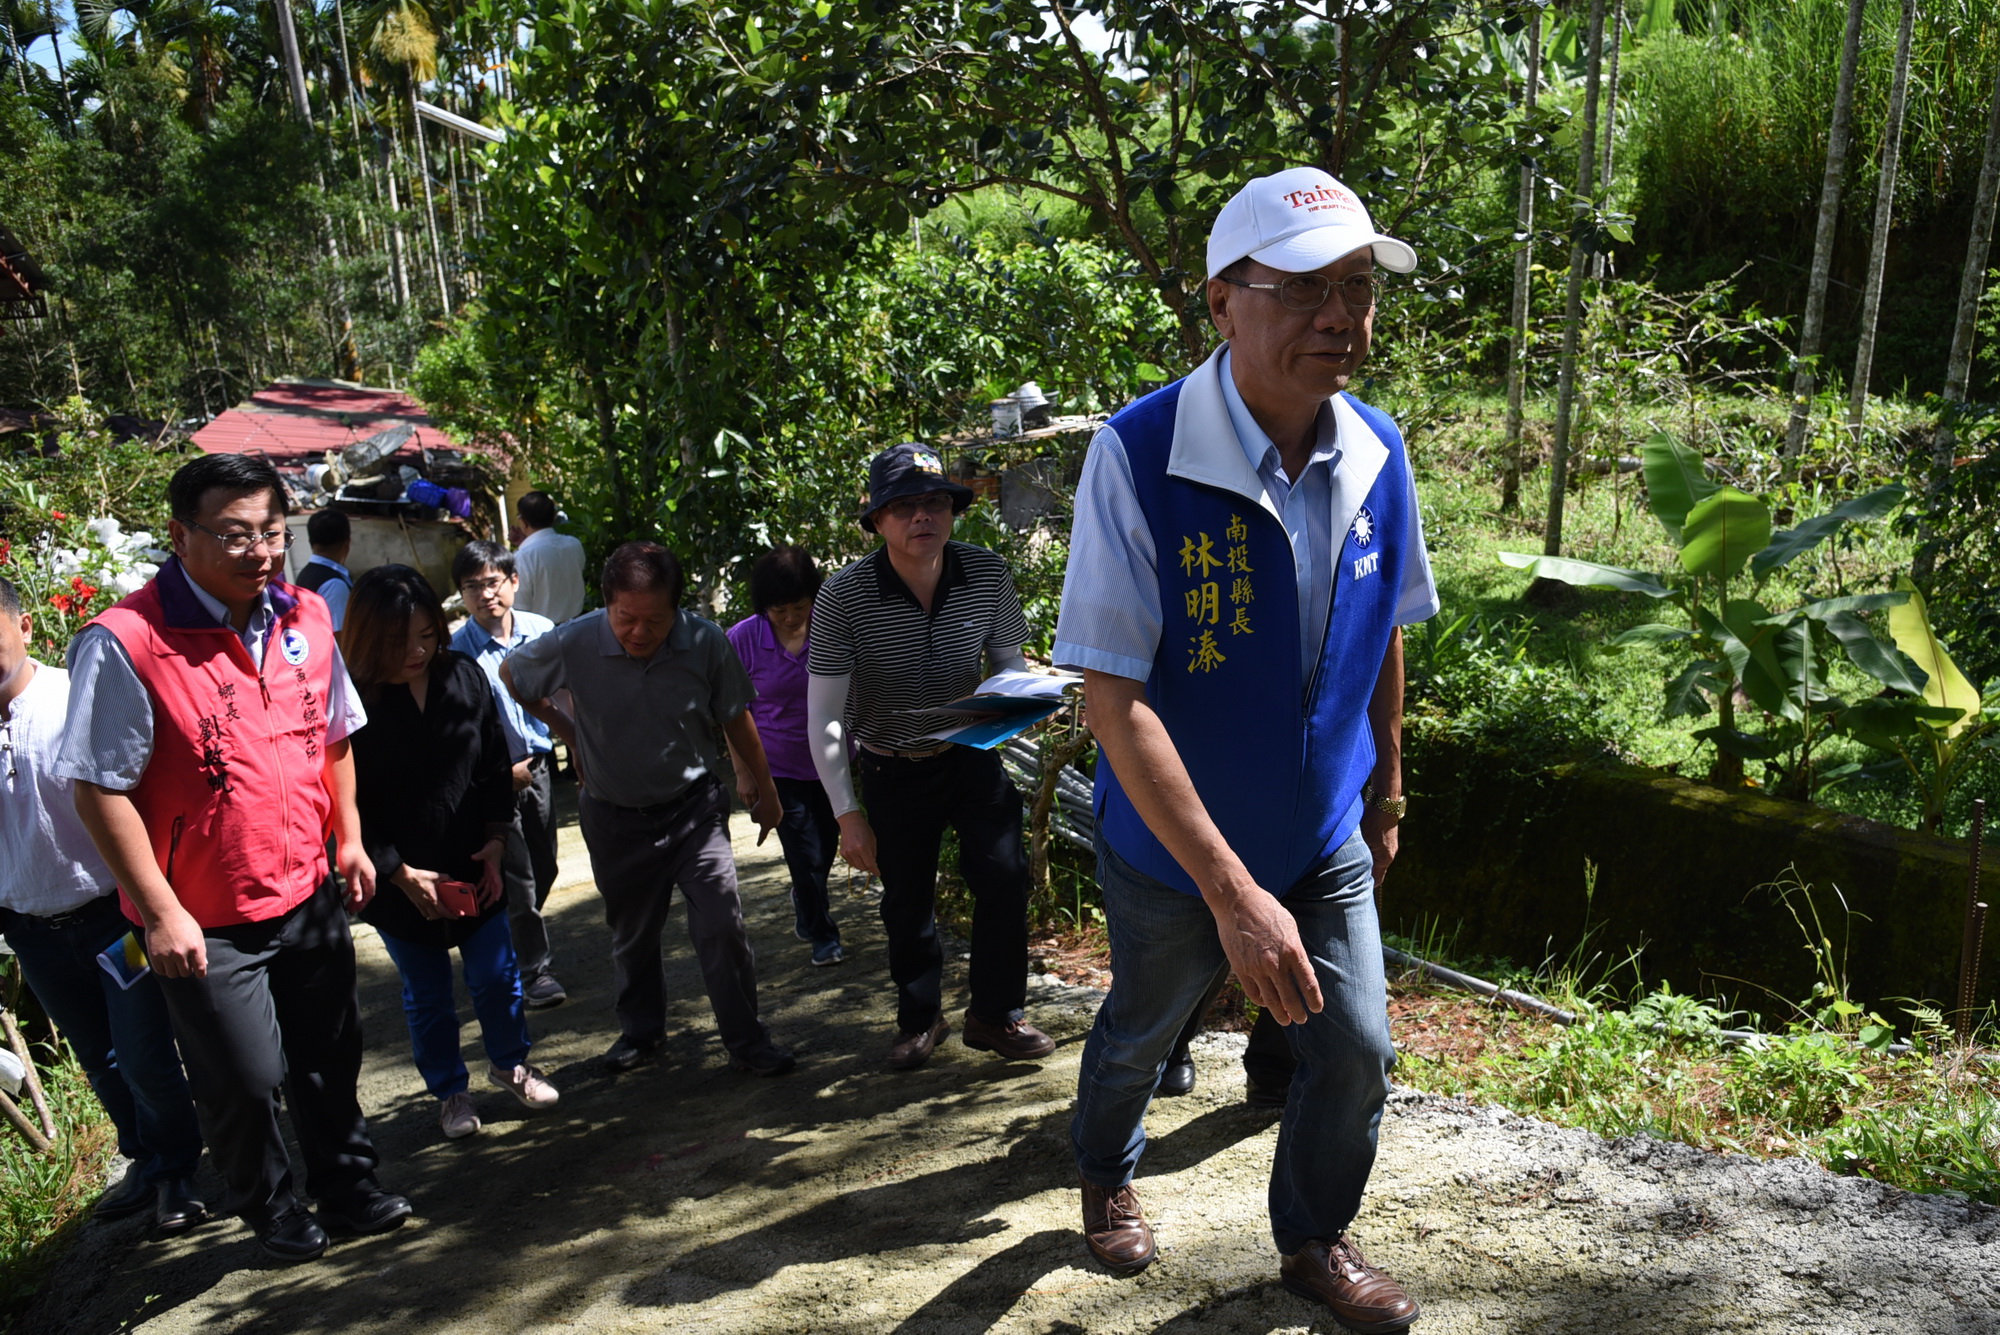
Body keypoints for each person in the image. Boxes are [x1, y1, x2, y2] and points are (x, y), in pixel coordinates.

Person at [1053, 167, 1437, 1331]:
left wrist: (1387, 792)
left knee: (1357, 1048)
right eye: (1304, 289)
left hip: (1317, 832)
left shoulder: (1376, 451)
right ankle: (1104, 1169)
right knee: (1142, 1025)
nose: (1339, 317)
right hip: (1177, 851)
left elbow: (1381, 637)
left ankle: (1314, 1237)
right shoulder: (1139, 454)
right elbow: (1112, 700)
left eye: (1359, 289)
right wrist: (1229, 894)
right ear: (1222, 300)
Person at [58, 453, 410, 1264]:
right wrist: (160, 910)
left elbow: (333, 735)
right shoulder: (128, 641)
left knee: (331, 1050)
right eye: (236, 535)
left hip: (305, 884)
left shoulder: (304, 618)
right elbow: (99, 791)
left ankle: (348, 1183)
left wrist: (348, 836)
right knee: (246, 1079)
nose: (259, 551)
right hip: (203, 915)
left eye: (272, 533)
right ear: (181, 536)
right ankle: (271, 1206)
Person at [501, 541, 795, 1077]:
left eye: (654, 620)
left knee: (722, 923)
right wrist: (570, 734)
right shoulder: (573, 641)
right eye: (625, 618)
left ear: (677, 611)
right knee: (632, 933)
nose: (639, 632)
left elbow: (736, 718)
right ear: (606, 604)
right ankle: (641, 1031)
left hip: (693, 812)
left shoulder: (703, 641)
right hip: (615, 819)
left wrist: (768, 792)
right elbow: (514, 679)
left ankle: (747, 1039)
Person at [807, 443, 1055, 1072]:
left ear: (953, 511)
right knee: (907, 901)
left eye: (936, 502)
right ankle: (920, 1019)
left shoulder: (987, 574)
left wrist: (1025, 698)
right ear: (878, 520)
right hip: (891, 767)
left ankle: (996, 1014)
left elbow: (1007, 666)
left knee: (1004, 877)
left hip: (971, 756)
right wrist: (847, 813)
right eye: (905, 506)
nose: (923, 517)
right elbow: (826, 715)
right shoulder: (844, 597)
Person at [0, 577, 206, 1235]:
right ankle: (145, 1158)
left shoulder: (73, 702)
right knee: (99, 1055)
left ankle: (179, 1168)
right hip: (31, 928)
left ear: (25, 626)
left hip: (113, 918)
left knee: (143, 1049)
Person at [343, 565, 560, 1141]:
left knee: (496, 974)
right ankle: (450, 1091)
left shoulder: (463, 675)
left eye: (426, 635)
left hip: (472, 862)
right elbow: (343, 803)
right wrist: (397, 872)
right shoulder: (351, 699)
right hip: (398, 880)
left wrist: (493, 843)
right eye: (398, 641)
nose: (415, 651)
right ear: (368, 638)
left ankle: (512, 1062)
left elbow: (493, 766)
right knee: (429, 993)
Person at [450, 541, 568, 1009]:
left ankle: (512, 935)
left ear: (513, 582)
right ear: (461, 594)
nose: (484, 595)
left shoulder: (542, 633)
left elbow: (564, 692)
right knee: (517, 877)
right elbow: (461, 728)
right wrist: (500, 772)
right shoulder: (456, 652)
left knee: (546, 864)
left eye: (492, 582)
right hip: (493, 779)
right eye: (471, 586)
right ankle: (534, 970)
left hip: (539, 769)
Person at [726, 547, 844, 968]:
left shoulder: (833, 630)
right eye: (780, 610)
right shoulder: (743, 640)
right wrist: (745, 773)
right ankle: (822, 934)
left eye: (800, 606)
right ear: (764, 608)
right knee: (804, 853)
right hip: (776, 767)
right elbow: (731, 712)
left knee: (828, 846)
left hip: (832, 762)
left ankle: (805, 897)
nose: (792, 618)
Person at [512, 491, 587, 624]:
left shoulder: (523, 557)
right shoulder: (573, 544)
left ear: (523, 522)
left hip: (542, 636)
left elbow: (520, 609)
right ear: (553, 517)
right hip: (578, 627)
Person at [295, 509, 354, 631]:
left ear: (310, 542)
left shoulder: (305, 574)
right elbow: (338, 635)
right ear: (347, 542)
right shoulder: (334, 584)